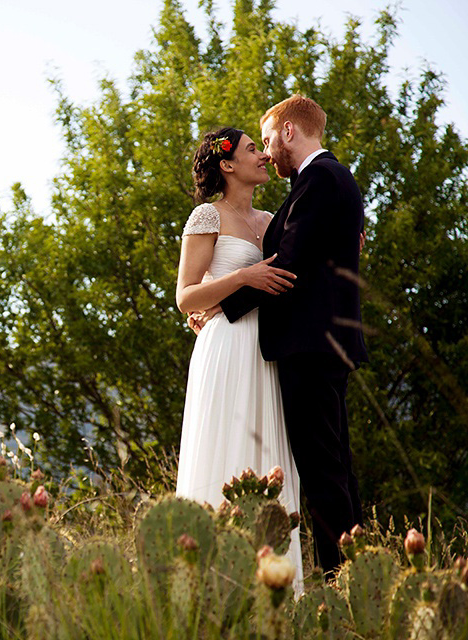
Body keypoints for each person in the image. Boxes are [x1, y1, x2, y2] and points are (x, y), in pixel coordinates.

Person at [215, 95, 368, 580]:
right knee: (336, 466)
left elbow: (291, 259)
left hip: (310, 344)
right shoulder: (333, 179)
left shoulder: (319, 178)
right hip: (325, 343)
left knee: (323, 472)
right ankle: (354, 572)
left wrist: (221, 309)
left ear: (287, 133)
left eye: (266, 140)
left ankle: (336, 579)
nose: (266, 152)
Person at [175, 125, 304, 593]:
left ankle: (273, 586)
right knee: (223, 448)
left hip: (267, 352)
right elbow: (187, 297)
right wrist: (243, 277)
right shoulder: (207, 216)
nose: (264, 156)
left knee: (266, 452)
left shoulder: (272, 220)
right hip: (225, 348)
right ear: (227, 165)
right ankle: (212, 585)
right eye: (254, 150)